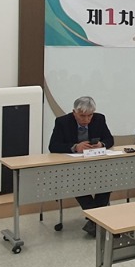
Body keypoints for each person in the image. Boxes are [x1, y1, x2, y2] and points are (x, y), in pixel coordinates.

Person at [48, 96, 115, 236]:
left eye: (90, 115)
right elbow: (53, 146)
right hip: (73, 166)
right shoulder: (62, 122)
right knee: (76, 182)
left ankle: (94, 221)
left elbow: (110, 139)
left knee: (107, 180)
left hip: (95, 164)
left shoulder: (99, 119)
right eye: (82, 116)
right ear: (74, 112)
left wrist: (101, 144)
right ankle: (97, 219)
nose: (86, 119)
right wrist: (75, 147)